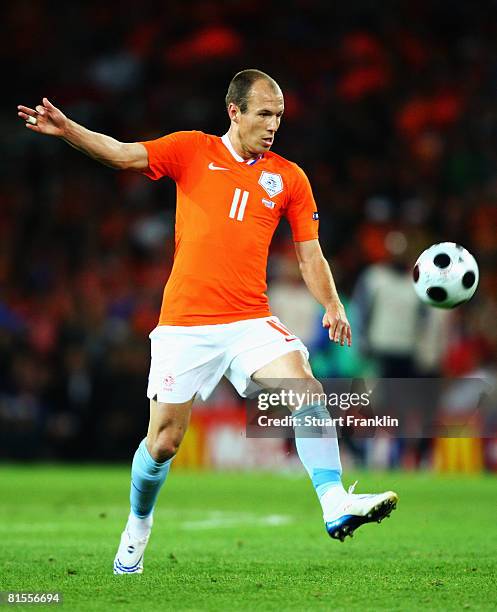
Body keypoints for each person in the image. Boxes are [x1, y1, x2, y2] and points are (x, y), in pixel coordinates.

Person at [18, 69, 398, 574]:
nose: (273, 125)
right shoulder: (191, 150)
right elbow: (123, 153)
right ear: (234, 112)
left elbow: (311, 256)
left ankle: (333, 504)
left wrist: (332, 304)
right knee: (164, 442)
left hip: (249, 320)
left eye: (279, 116)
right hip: (186, 324)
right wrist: (70, 131)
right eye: (264, 113)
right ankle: (138, 525)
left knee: (307, 391)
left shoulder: (289, 178)